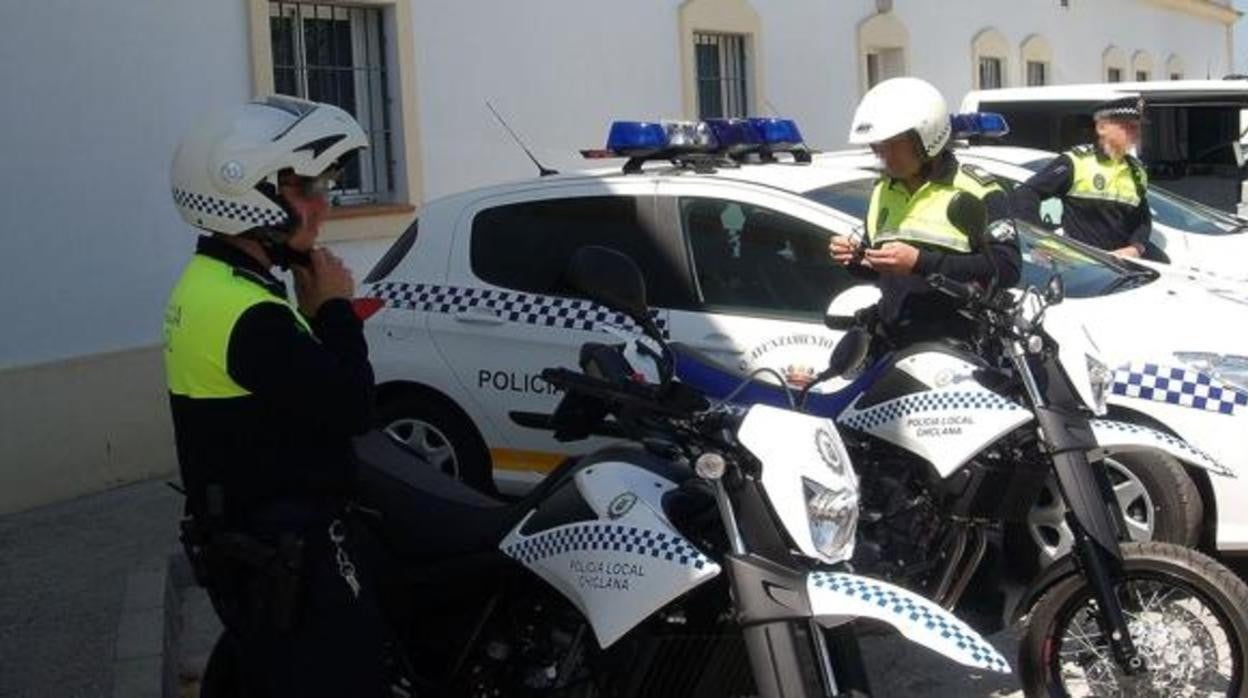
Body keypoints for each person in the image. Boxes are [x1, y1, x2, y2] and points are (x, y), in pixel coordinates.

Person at [164, 96, 390, 696]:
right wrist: (336, 310)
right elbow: (352, 408)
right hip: (285, 545)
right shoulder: (249, 313)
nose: (322, 204)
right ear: (247, 193)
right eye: (304, 187)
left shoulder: (213, 282)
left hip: (246, 540)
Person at [828, 77, 1022, 349]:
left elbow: (1008, 268)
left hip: (960, 351)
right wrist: (855, 258)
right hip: (895, 350)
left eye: (892, 144)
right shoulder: (882, 190)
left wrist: (921, 261)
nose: (883, 156)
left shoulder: (976, 190)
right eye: (876, 147)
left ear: (927, 138)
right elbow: (886, 274)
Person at [1011, 96, 1151, 258]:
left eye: (1137, 127)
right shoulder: (1077, 161)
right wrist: (1038, 240)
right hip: (1078, 268)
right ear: (1102, 127)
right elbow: (1026, 194)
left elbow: (1142, 217)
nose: (1136, 133)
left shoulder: (1136, 169)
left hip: (1119, 271)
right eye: (1128, 127)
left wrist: (1137, 246)